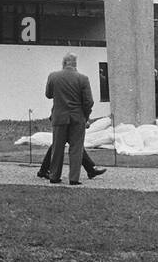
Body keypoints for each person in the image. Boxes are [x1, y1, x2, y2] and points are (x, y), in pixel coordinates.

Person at [45, 53, 94, 185]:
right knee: (76, 148)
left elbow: (48, 95)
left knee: (57, 147)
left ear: (63, 63)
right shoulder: (83, 78)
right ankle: (73, 178)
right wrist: (86, 116)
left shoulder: (53, 76)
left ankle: (54, 176)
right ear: (75, 64)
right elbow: (89, 101)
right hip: (77, 117)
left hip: (59, 116)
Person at [36, 143, 106, 182]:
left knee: (76, 144)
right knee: (75, 144)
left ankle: (43, 170)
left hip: (66, 120)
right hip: (66, 120)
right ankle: (91, 170)